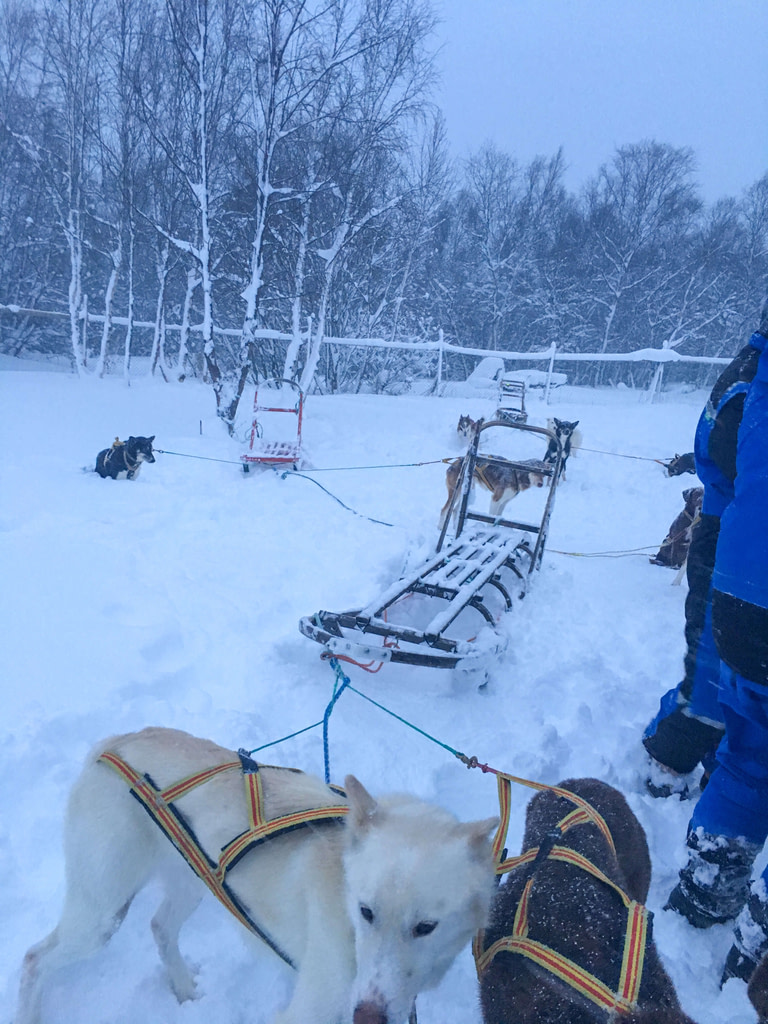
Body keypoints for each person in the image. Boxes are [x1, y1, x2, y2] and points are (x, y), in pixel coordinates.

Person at [664, 306, 768, 989]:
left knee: (748, 752)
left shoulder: (750, 369)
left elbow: (716, 458)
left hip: (742, 587)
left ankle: (703, 899)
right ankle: (756, 965)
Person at [641, 318, 763, 798]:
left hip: (732, 534)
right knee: (713, 665)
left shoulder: (750, 370)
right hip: (736, 544)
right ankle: (669, 759)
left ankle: (716, 758)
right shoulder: (753, 381)